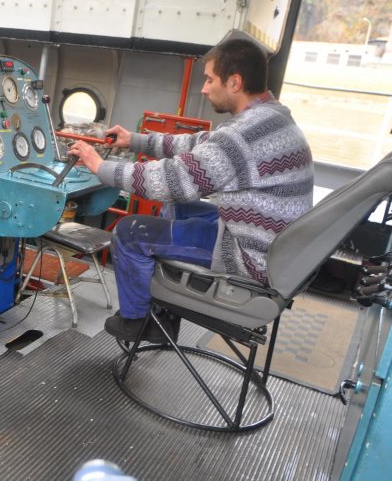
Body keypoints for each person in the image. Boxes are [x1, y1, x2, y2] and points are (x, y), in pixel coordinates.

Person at [67, 38, 314, 343]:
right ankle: (165, 309)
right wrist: (135, 140)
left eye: (210, 80)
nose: (204, 89)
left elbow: (171, 181)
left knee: (130, 232)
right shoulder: (269, 117)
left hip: (249, 255)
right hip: (265, 241)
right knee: (177, 211)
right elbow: (199, 145)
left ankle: (140, 321)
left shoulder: (242, 136)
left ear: (235, 82)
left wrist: (98, 166)